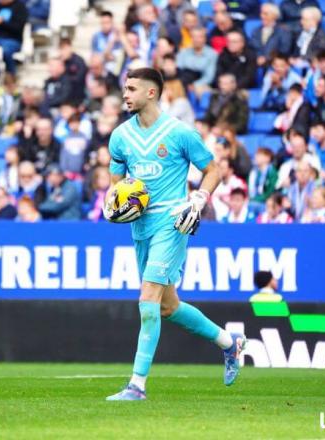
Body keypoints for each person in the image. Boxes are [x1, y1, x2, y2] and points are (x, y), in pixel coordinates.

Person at [103, 68, 244, 401]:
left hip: (172, 222)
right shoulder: (120, 136)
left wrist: (198, 197)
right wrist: (116, 204)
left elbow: (213, 171)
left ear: (151, 93)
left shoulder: (181, 133)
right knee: (167, 306)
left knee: (148, 299)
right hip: (141, 227)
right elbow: (115, 184)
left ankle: (137, 385)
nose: (125, 94)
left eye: (131, 89)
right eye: (125, 88)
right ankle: (229, 342)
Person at [0, 0, 28, 75]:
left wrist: (2, 22)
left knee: (6, 51)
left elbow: (18, 28)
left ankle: (11, 75)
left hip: (13, 39)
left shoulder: (20, 7)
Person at [175, 27, 217, 94]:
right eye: (194, 37)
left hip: (200, 83)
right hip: (183, 80)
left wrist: (194, 85)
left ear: (205, 39)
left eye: (199, 37)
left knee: (201, 91)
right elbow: (178, 69)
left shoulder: (212, 54)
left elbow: (209, 76)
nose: (196, 39)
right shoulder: (183, 52)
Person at [249, 3, 293, 67]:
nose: (262, 16)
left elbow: (284, 50)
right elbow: (251, 48)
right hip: (256, 64)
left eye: (265, 14)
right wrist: (258, 57)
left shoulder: (283, 31)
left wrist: (267, 58)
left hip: (274, 65)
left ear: (274, 16)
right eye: (261, 13)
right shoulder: (256, 31)